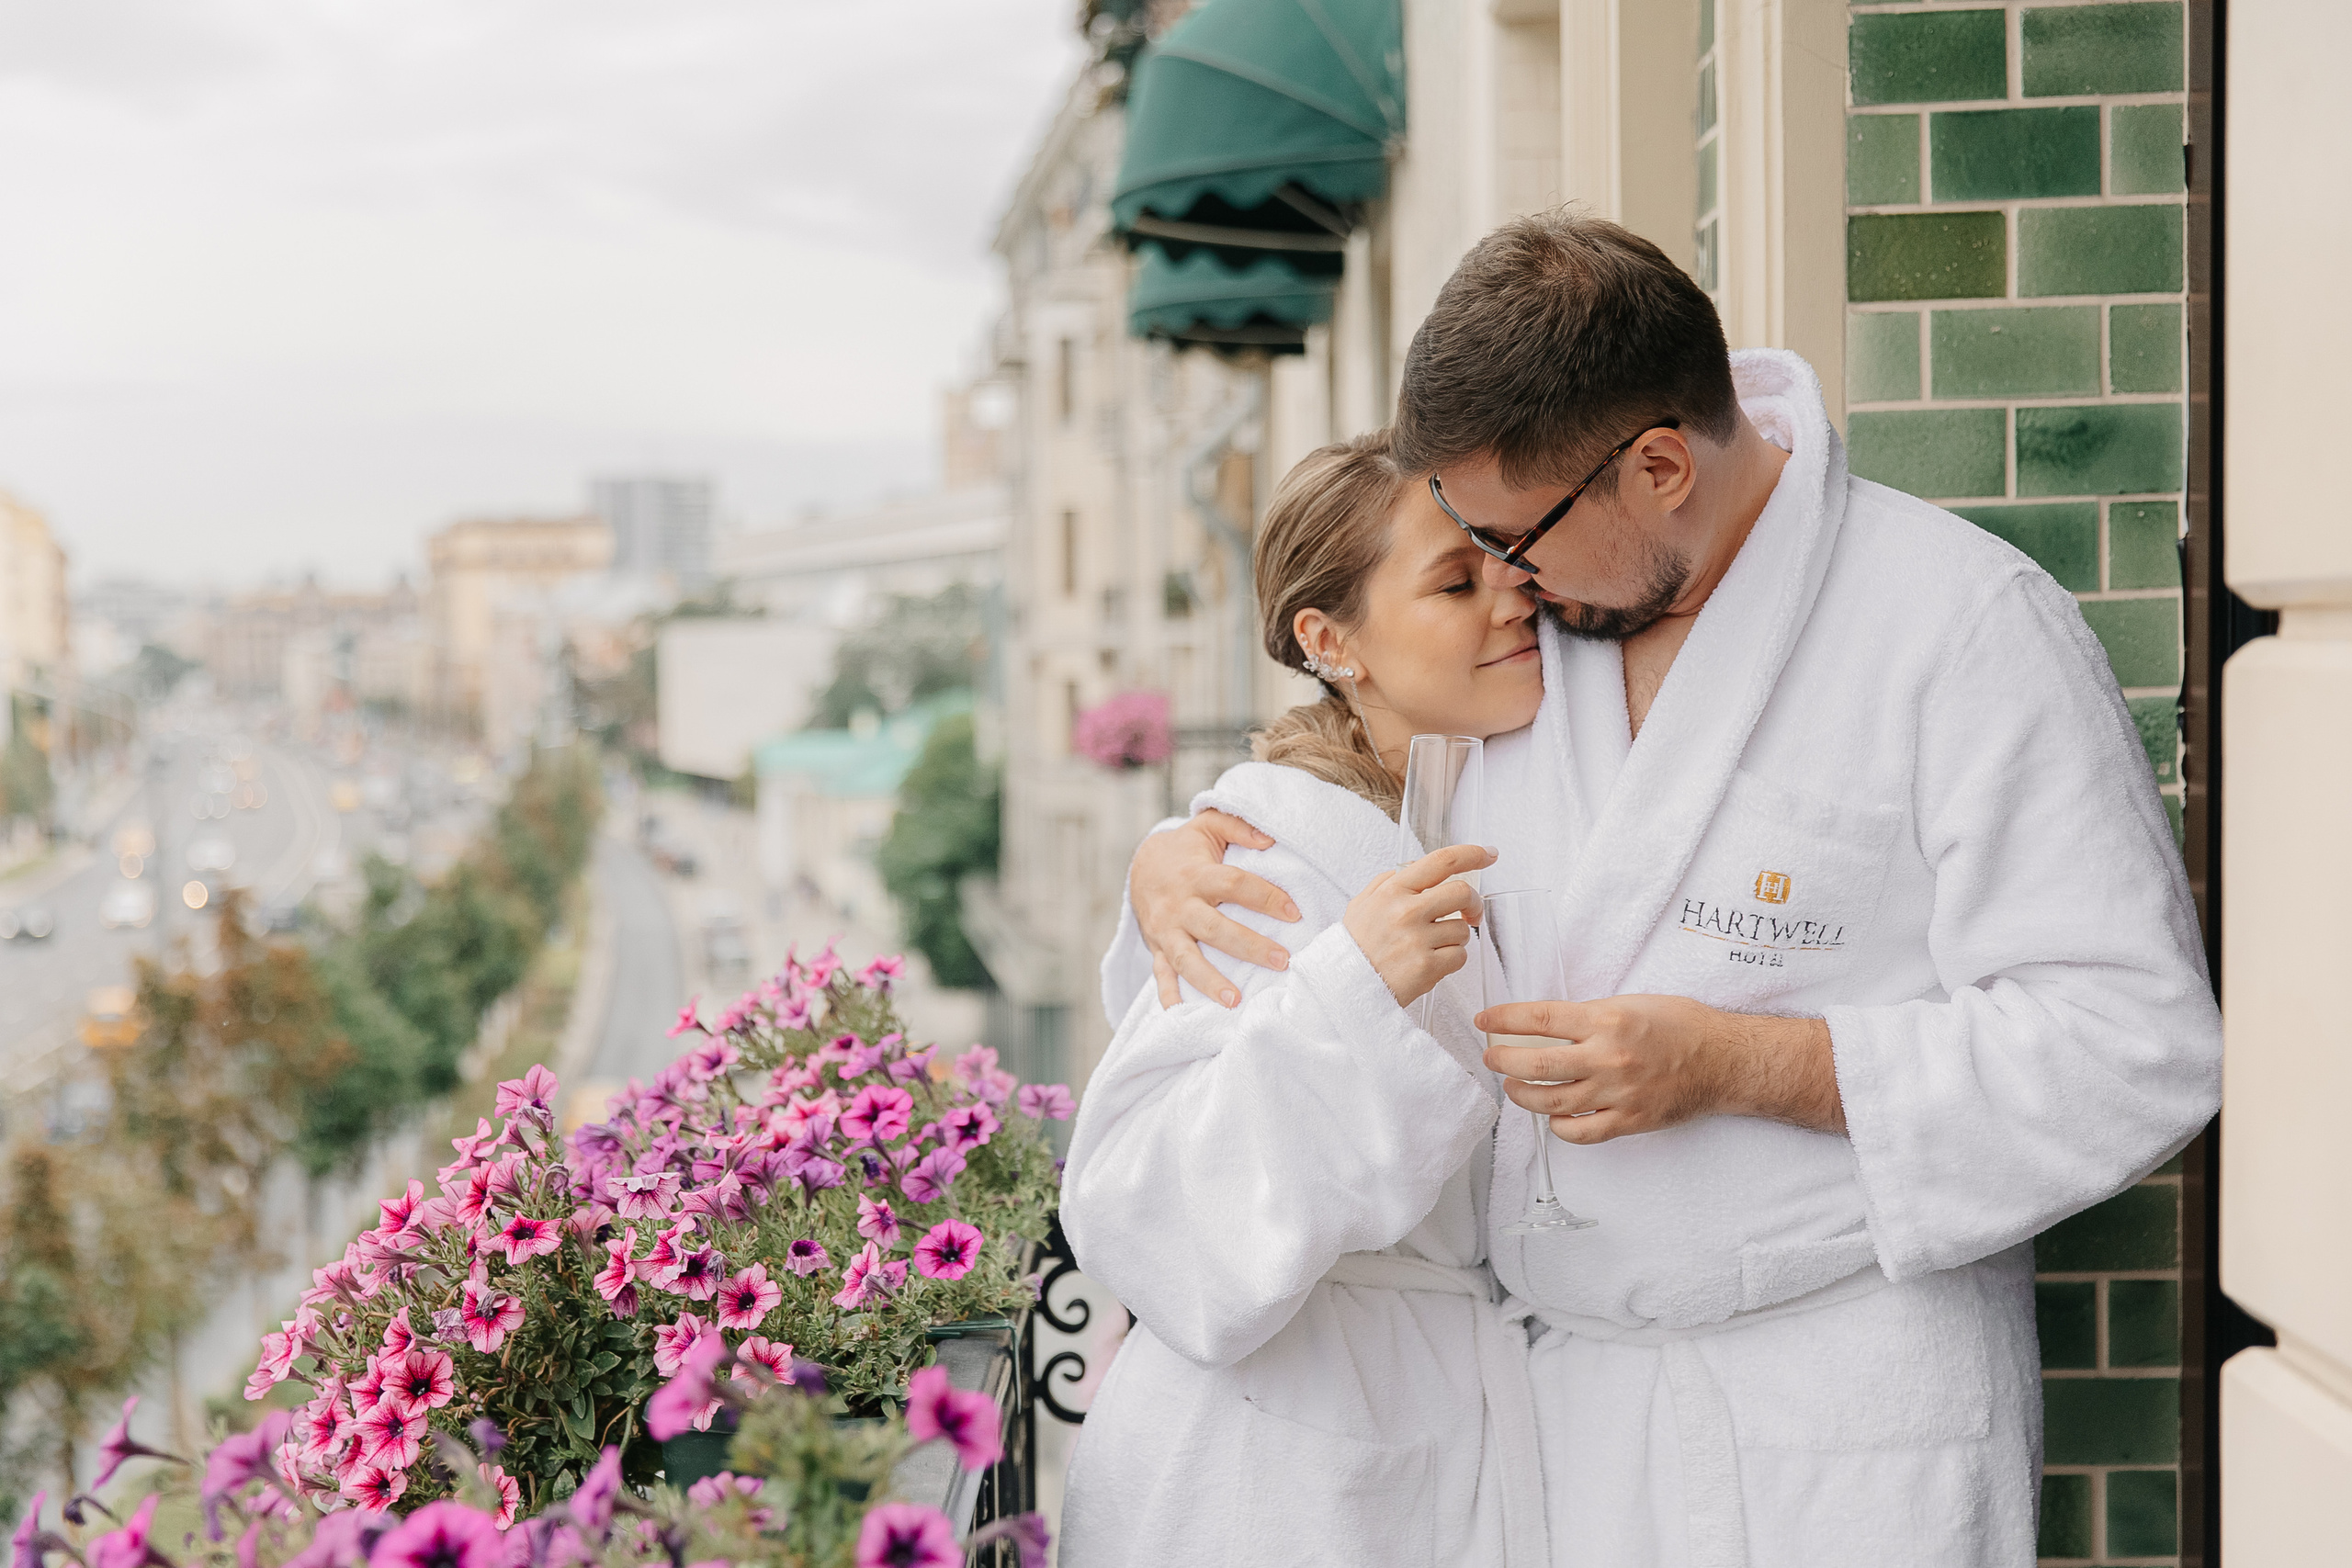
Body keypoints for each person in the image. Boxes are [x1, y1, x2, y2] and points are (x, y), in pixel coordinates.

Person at [1103, 211, 2222, 1566]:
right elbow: (1354, 760)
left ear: (1658, 466)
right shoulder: (1538, 647)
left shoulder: (1957, 627)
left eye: (1513, 535)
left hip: (1845, 1424)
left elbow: (2134, 1047)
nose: (1503, 577)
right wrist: (1183, 847)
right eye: (1467, 539)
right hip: (1560, 1434)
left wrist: (1746, 1063)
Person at [1057, 431, 1551, 1568]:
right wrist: (1349, 994)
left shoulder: (1480, 802)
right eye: (1455, 582)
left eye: (1511, 559)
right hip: (1266, 1478)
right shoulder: (1262, 872)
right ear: (1332, 642)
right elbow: (1139, 1208)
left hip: (1428, 1428)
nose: (1514, 596)